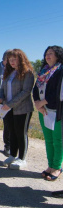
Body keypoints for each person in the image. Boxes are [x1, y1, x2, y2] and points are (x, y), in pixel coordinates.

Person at [0, 49, 34, 170]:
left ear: (21, 59)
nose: (12, 62)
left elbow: (25, 92)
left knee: (21, 133)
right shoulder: (9, 72)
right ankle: (13, 155)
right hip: (8, 109)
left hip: (22, 109)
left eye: (14, 59)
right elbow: (3, 87)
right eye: (10, 60)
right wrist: (1, 98)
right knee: (12, 132)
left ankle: (22, 158)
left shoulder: (27, 73)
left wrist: (10, 104)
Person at [33, 46, 63, 181]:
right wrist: (37, 104)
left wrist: (43, 101)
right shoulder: (44, 70)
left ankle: (57, 167)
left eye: (51, 53)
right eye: (46, 53)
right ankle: (50, 166)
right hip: (43, 111)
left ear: (58, 55)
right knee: (48, 140)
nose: (47, 56)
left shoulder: (60, 70)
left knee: (58, 140)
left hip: (57, 111)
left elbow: (59, 92)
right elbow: (36, 88)